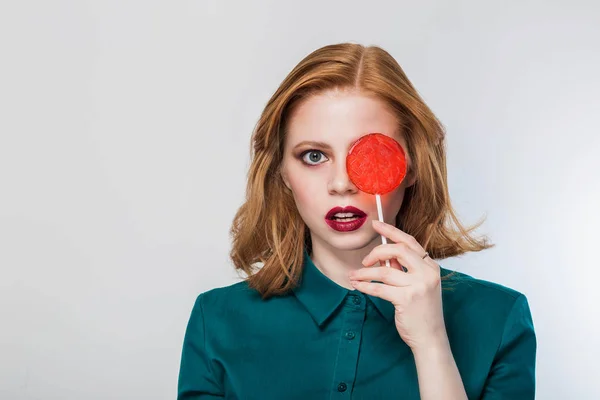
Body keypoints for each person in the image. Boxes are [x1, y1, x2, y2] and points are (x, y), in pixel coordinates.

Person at [177, 42, 536, 399]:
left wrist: (431, 345)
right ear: (282, 172)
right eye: (314, 156)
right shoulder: (217, 321)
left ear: (412, 166)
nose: (341, 184)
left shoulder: (499, 319)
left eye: (372, 153)